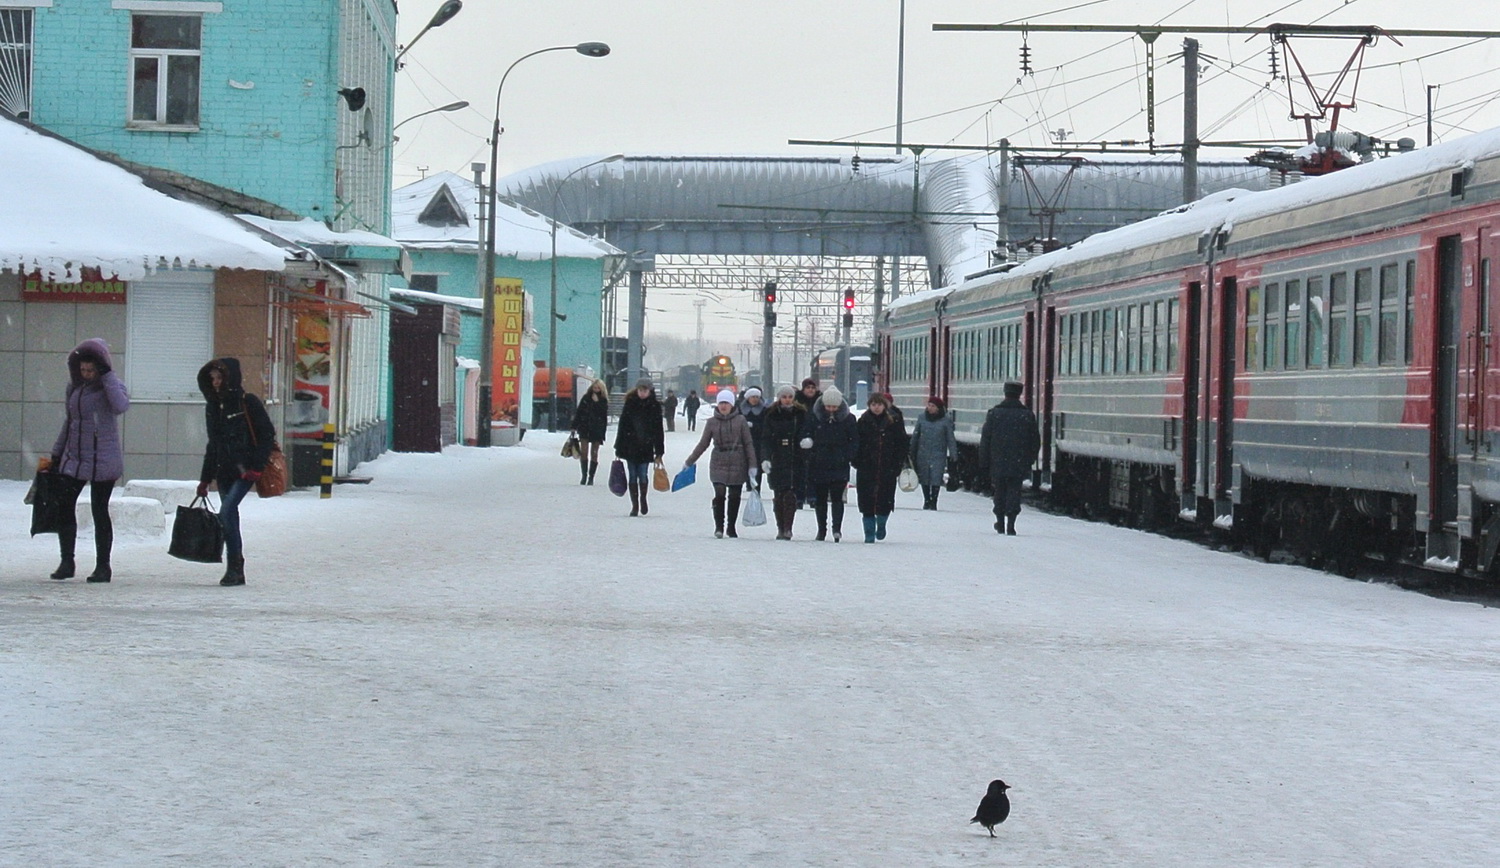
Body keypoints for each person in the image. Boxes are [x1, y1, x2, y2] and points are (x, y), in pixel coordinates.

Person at [47, 338, 129, 582]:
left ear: (100, 368)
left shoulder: (111, 387)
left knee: (99, 510)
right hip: (76, 458)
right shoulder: (74, 389)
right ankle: (67, 561)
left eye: (91, 370)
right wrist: (56, 453)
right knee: (65, 505)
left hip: (103, 459)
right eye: (82, 370)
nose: (86, 374)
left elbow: (120, 406)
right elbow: (70, 421)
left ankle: (103, 566)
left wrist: (108, 377)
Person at [196, 358, 276, 586]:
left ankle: (235, 564)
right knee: (230, 517)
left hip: (245, 470)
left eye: (220, 378)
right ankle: (235, 568)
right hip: (224, 470)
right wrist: (205, 479)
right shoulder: (213, 406)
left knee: (227, 511)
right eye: (212, 379)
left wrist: (256, 467)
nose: (216, 383)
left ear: (230, 378)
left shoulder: (247, 402)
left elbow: (266, 435)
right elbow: (213, 444)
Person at [684, 388, 758, 538]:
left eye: (726, 403)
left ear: (732, 404)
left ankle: (731, 526)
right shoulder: (712, 422)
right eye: (721, 403)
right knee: (720, 493)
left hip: (738, 460)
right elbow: (703, 444)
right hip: (719, 460)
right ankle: (719, 526)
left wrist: (752, 466)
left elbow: (748, 443)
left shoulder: (741, 421)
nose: (724, 406)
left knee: (735, 495)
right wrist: (690, 461)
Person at [979, 381, 1041, 535]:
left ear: (1005, 393)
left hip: (998, 460)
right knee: (1014, 491)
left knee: (999, 490)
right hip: (1018, 461)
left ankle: (1000, 521)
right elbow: (1035, 441)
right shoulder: (1027, 415)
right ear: (1019, 394)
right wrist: (1030, 459)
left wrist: (984, 461)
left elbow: (985, 439)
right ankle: (1011, 523)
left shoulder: (994, 414)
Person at [853, 392, 911, 543]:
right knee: (866, 503)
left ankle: (882, 523)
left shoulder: (894, 423)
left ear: (884, 406)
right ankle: (869, 533)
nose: (876, 408)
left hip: (888, 469)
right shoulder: (862, 422)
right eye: (873, 405)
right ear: (869, 406)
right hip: (866, 468)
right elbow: (855, 444)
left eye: (879, 405)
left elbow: (902, 444)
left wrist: (897, 464)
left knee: (885, 501)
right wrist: (857, 461)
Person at [805, 386, 857, 542]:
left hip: (839, 464)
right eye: (828, 407)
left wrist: (847, 456)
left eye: (834, 407)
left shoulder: (848, 419)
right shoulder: (814, 417)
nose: (831, 410)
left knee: (837, 498)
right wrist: (810, 450)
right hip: (819, 463)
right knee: (820, 499)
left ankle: (836, 529)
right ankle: (822, 529)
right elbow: (806, 434)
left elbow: (854, 441)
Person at [761, 384, 809, 540]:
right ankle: (780, 526)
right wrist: (766, 458)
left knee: (790, 493)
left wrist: (806, 442)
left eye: (790, 397)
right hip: (777, 457)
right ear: (779, 398)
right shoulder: (771, 414)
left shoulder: (800, 414)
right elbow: (766, 438)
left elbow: (806, 430)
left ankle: (788, 527)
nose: (787, 400)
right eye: (784, 397)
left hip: (795, 457)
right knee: (778, 493)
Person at [613, 377, 665, 516]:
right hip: (631, 446)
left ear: (650, 391)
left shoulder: (654, 406)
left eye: (645, 390)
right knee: (632, 475)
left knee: (643, 475)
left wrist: (659, 451)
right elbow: (622, 426)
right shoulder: (630, 404)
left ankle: (643, 498)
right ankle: (634, 505)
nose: (642, 393)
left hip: (646, 446)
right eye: (640, 390)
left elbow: (658, 430)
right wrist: (619, 446)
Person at [910, 396, 958, 510]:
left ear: (938, 408)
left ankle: (934, 500)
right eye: (929, 405)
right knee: (924, 477)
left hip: (938, 453)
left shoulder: (946, 421)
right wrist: (912, 450)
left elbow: (950, 439)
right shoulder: (922, 418)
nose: (930, 408)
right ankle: (927, 499)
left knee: (936, 477)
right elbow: (916, 435)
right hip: (923, 452)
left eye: (933, 406)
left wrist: (953, 454)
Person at [569, 379, 610, 485]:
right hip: (585, 428)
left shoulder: (603, 400)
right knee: (584, 452)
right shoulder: (586, 398)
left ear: (601, 389)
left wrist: (597, 403)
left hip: (597, 429)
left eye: (598, 388)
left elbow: (603, 415)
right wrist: (574, 426)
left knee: (594, 453)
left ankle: (591, 477)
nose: (595, 390)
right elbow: (579, 412)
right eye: (594, 387)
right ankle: (584, 475)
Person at [793, 378, 822, 506]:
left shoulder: (820, 402)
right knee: (799, 469)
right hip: (798, 439)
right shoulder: (797, 402)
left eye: (812, 387)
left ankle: (812, 495)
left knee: (814, 470)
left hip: (816, 438)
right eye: (808, 388)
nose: (810, 390)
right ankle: (799, 496)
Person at [738, 387, 768, 492]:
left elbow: (766, 425)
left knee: (757, 463)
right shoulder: (741, 409)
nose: (755, 399)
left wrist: (754, 425)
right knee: (744, 462)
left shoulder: (764, 410)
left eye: (757, 397)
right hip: (743, 441)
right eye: (752, 397)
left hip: (758, 441)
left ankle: (756, 485)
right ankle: (747, 482)